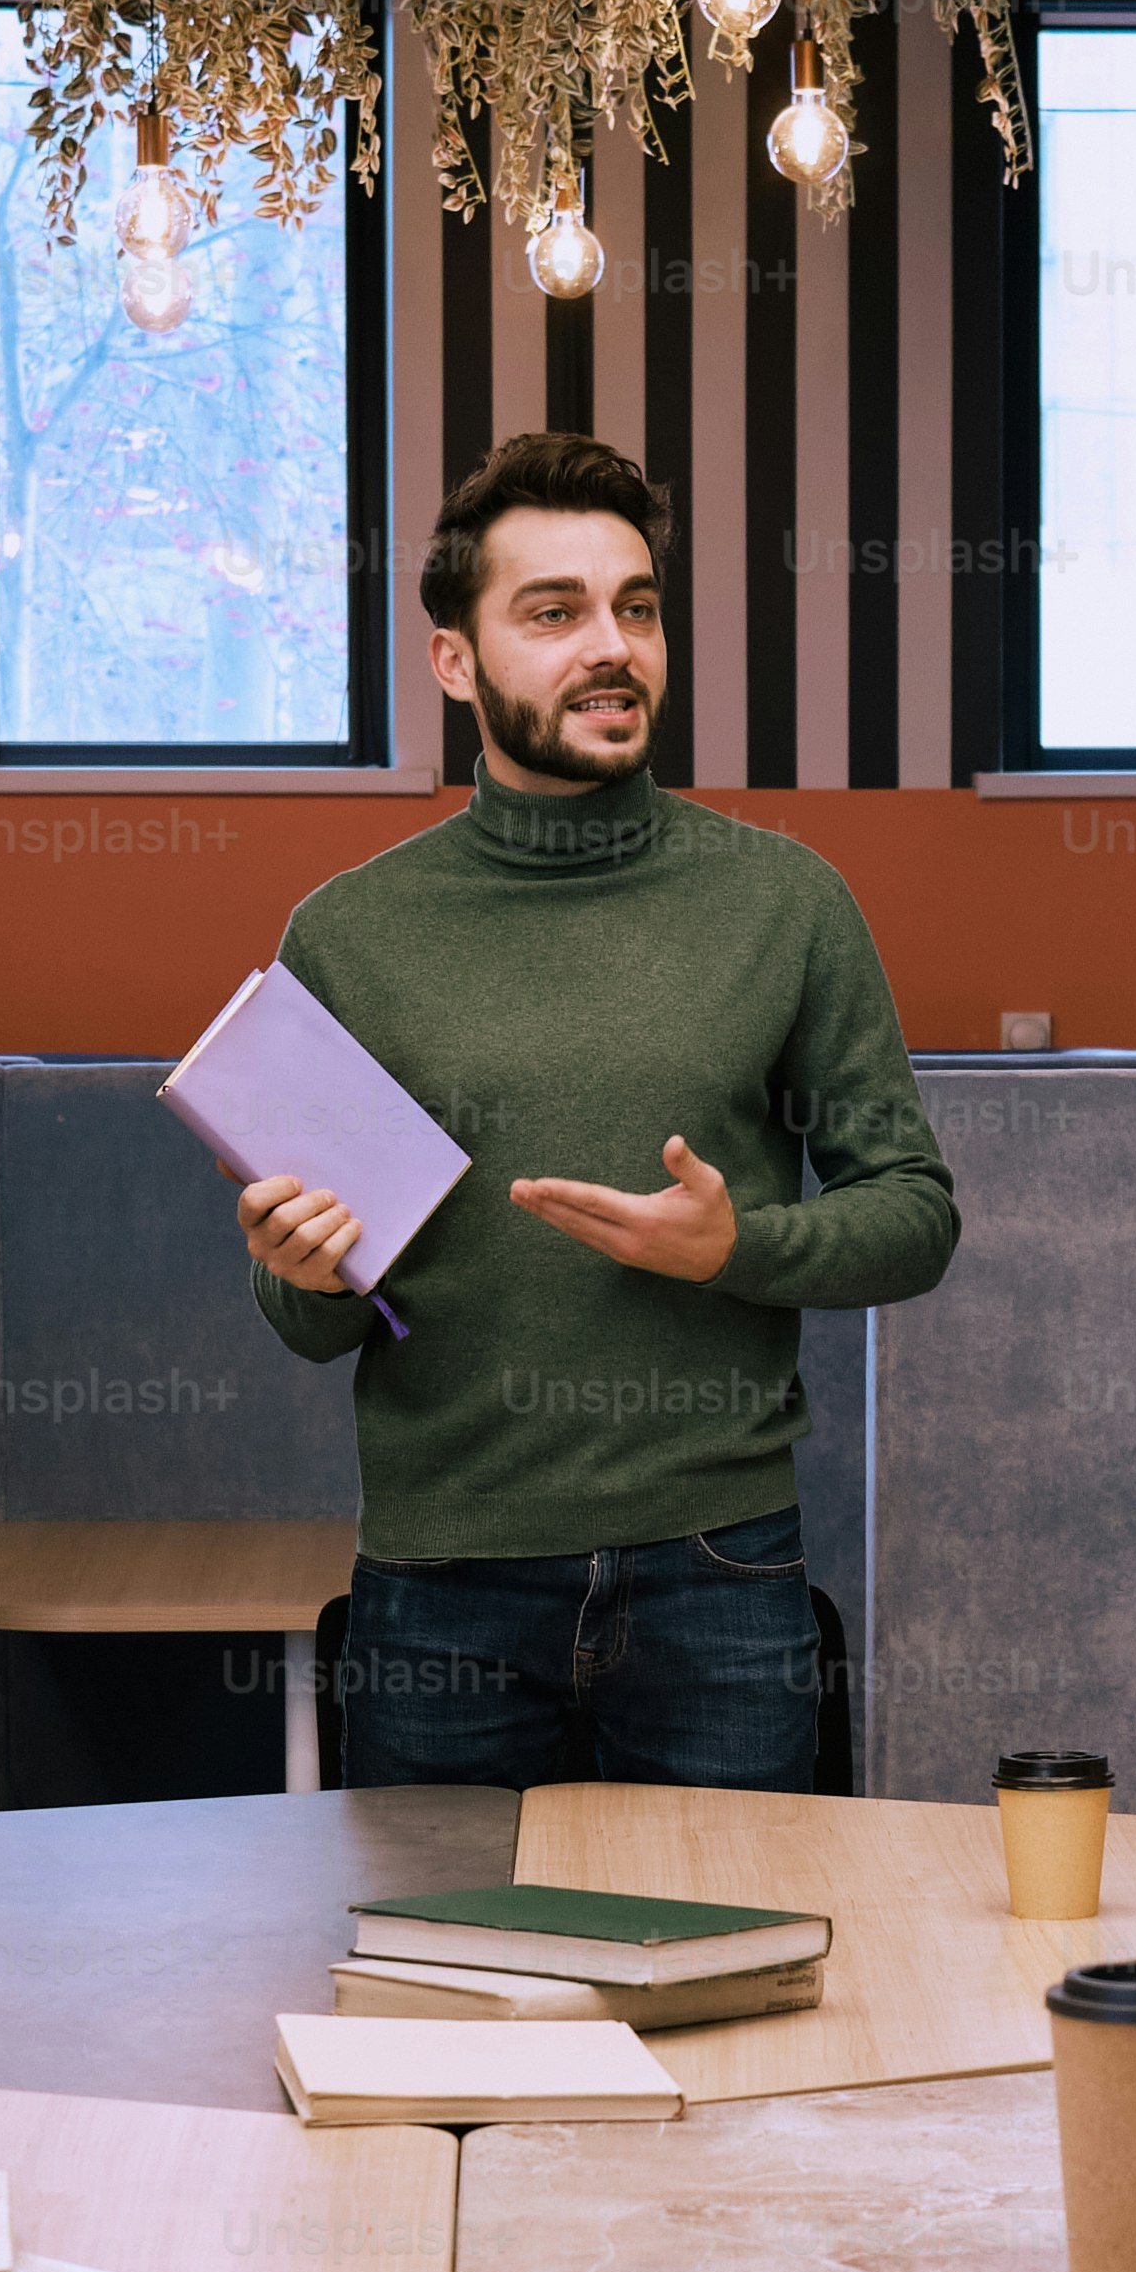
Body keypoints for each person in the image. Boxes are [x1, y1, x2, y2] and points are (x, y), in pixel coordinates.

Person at [235, 430, 954, 1789]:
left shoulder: (787, 904)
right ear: (455, 661)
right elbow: (309, 1319)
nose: (611, 644)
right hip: (440, 1588)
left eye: (636, 605)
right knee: (447, 1989)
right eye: (553, 612)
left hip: (720, 1575)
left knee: (736, 1986)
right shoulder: (348, 934)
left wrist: (736, 1247)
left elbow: (914, 1216)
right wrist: (306, 1267)